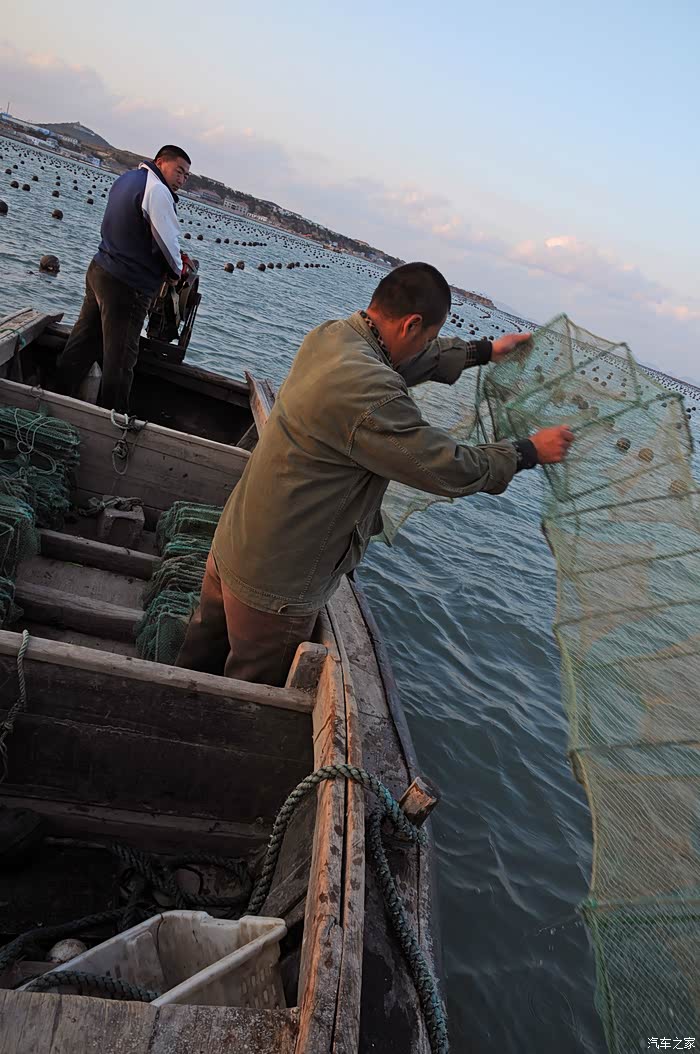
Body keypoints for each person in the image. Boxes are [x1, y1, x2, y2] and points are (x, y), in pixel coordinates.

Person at [176, 262, 574, 685]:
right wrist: (527, 451)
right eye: (428, 337)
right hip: (275, 583)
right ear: (412, 324)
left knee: (191, 670)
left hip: (232, 546)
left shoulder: (332, 336)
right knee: (241, 701)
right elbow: (448, 467)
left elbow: (405, 361)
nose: (427, 346)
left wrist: (484, 351)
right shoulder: (371, 395)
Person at [54, 145, 191, 413]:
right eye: (179, 171)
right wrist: (176, 273)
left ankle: (55, 393)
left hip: (100, 268)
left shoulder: (128, 178)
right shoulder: (157, 191)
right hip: (127, 284)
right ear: (161, 162)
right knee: (121, 357)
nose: (182, 179)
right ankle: (112, 420)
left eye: (186, 176)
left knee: (84, 340)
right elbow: (167, 243)